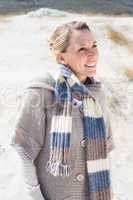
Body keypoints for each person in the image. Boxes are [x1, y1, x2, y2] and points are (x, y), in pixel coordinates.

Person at [11, 21, 115, 200]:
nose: (92, 54)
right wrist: (36, 197)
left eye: (94, 46)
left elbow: (105, 150)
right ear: (61, 58)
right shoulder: (41, 90)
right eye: (82, 49)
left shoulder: (97, 94)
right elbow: (24, 150)